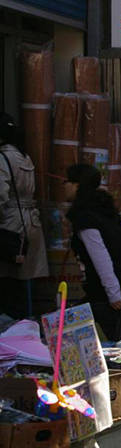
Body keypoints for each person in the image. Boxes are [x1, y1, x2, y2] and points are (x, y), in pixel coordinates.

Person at [63, 164, 121, 342]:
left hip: (108, 291)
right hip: (113, 286)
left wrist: (114, 294)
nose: (63, 185)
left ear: (77, 185)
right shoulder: (103, 210)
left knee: (117, 341)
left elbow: (100, 256)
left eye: (67, 181)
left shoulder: (86, 217)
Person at [0, 115, 47, 318]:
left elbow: (0, 194)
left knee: (7, 279)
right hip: (30, 221)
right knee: (22, 279)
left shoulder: (2, 158)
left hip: (10, 222)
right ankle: (23, 324)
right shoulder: (24, 156)